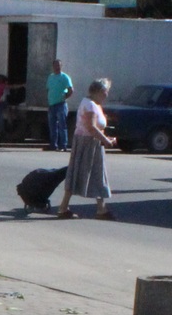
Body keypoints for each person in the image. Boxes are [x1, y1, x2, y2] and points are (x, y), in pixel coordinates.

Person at [58, 78, 119, 220]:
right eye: (106, 92)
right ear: (99, 91)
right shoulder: (90, 105)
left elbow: (95, 127)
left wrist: (106, 139)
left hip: (90, 143)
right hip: (88, 144)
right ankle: (97, 210)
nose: (107, 95)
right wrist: (106, 141)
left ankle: (99, 209)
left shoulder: (92, 103)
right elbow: (91, 127)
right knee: (90, 174)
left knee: (88, 174)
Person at [46, 58, 73, 152]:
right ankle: (53, 145)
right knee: (52, 126)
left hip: (61, 105)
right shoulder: (51, 77)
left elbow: (70, 90)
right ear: (53, 66)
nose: (57, 67)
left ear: (61, 66)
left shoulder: (65, 77)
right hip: (51, 105)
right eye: (55, 65)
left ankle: (63, 145)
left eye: (58, 65)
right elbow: (48, 89)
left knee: (62, 125)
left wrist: (65, 96)